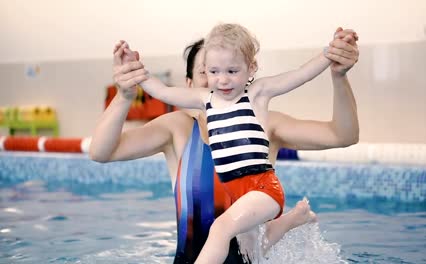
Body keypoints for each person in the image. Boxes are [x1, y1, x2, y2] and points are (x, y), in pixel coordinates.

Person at [90, 27, 359, 263]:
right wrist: (126, 92)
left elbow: (342, 135)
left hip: (248, 251)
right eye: (209, 73)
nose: (220, 81)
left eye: (231, 70)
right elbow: (100, 152)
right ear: (190, 85)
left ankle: (284, 222)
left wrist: (338, 75)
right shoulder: (175, 129)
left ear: (248, 71)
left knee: (241, 236)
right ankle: (288, 222)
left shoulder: (266, 122)